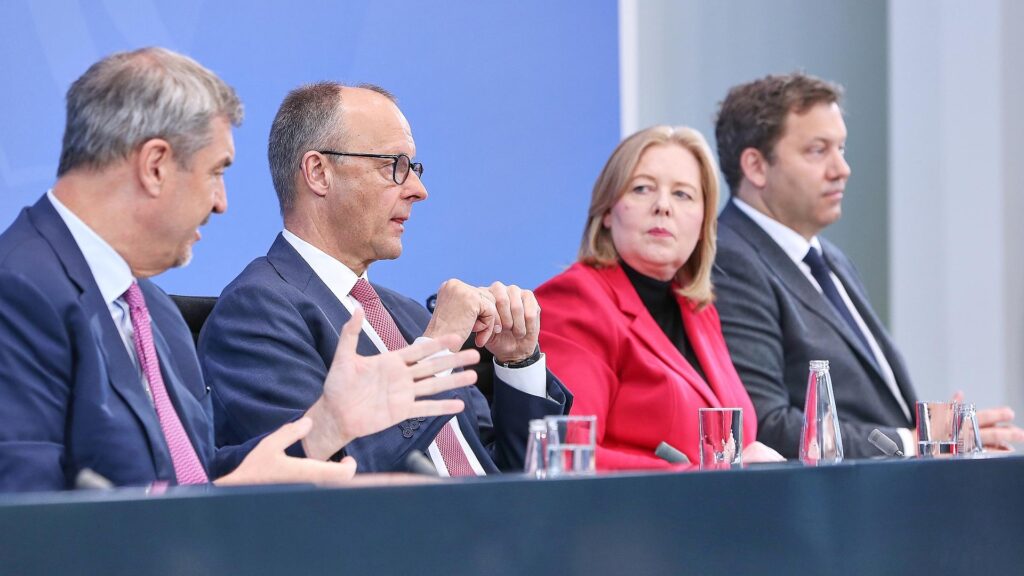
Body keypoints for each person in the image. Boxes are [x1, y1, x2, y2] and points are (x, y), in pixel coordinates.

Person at [0, 48, 479, 492]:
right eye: (216, 172)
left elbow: (198, 480)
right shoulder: (17, 291)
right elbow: (28, 515)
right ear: (155, 165)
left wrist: (323, 431)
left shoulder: (156, 315)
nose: (222, 203)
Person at [198, 82, 570, 476]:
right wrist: (435, 352)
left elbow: (504, 473)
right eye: (394, 166)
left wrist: (517, 363)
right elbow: (321, 476)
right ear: (319, 172)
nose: (418, 190)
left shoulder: (406, 315)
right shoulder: (255, 312)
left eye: (414, 168)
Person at [711, 72, 1024, 458]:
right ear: (756, 166)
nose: (842, 169)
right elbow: (768, 425)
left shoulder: (829, 258)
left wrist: (933, 433)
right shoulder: (730, 259)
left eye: (841, 148)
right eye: (817, 150)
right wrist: (914, 441)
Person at [534, 125, 783, 470]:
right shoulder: (577, 299)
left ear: (703, 222)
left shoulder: (696, 308)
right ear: (608, 210)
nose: (663, 206)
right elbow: (569, 455)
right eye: (642, 189)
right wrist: (708, 476)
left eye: (682, 194)